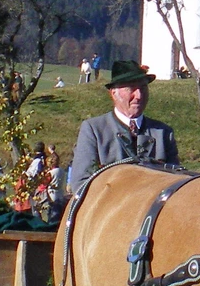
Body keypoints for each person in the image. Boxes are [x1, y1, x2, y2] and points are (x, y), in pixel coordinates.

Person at [68, 60, 180, 193]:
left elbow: (177, 184)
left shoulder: (163, 133)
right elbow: (81, 185)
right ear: (113, 93)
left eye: (143, 88)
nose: (138, 96)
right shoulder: (94, 130)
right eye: (131, 88)